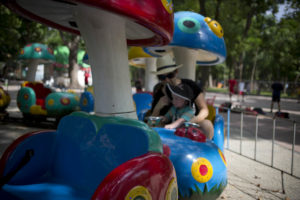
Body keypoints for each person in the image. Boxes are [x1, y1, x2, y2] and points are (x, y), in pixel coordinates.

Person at [150, 54, 214, 139]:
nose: (167, 80)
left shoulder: (190, 86)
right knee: (156, 124)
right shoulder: (160, 90)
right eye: (162, 77)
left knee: (207, 124)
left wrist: (189, 122)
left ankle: (204, 150)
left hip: (192, 124)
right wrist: (158, 107)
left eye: (170, 75)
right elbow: (152, 121)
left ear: (176, 72)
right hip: (169, 128)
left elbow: (204, 110)